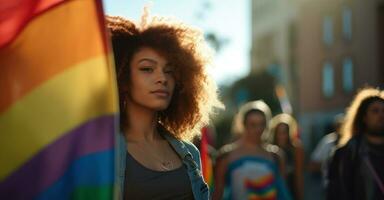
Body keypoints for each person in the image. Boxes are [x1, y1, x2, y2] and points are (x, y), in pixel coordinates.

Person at [106, 11, 222, 200]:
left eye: (169, 71)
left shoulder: (190, 154)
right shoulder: (103, 153)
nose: (162, 78)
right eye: (147, 69)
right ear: (123, 78)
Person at [213, 100, 291, 200]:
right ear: (243, 125)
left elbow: (282, 192)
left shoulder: (276, 155)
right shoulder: (227, 155)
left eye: (262, 124)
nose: (258, 129)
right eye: (253, 125)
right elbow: (218, 192)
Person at [327, 88, 384, 200]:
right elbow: (336, 192)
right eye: (375, 111)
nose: (381, 115)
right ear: (364, 117)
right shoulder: (347, 152)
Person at [270, 114, 304, 200]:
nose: (281, 136)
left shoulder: (296, 149)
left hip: (291, 191)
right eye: (278, 133)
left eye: (284, 132)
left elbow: (298, 176)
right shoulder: (270, 151)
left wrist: (300, 195)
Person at [309, 113, 344, 187]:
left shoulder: (352, 143)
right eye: (338, 126)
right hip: (330, 186)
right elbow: (312, 164)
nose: (341, 129)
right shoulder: (327, 142)